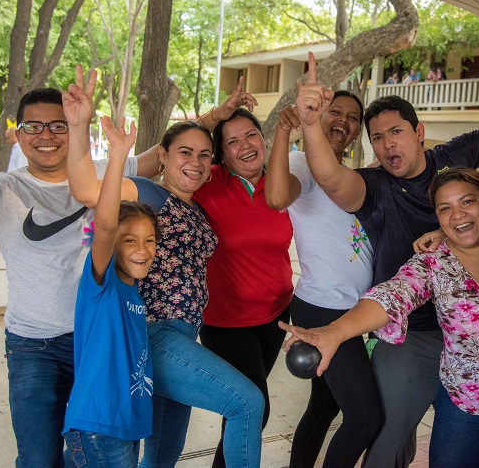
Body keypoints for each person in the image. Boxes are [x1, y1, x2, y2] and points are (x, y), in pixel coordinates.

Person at [291, 0, 479, 465]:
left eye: (396, 132)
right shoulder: (373, 187)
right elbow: (330, 179)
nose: (388, 144)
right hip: (411, 332)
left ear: (419, 133)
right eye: (377, 137)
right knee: (391, 434)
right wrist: (309, 125)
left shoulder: (453, 163)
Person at [0, 83, 161, 467]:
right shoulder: (2, 188)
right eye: (33, 126)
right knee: (39, 458)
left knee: (97, 454)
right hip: (33, 345)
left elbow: (162, 158)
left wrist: (215, 118)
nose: (46, 135)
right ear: (19, 134)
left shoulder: (105, 175)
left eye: (58, 126)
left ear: (74, 129)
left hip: (98, 342)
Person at [64, 70, 265, 468]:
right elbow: (89, 191)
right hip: (155, 332)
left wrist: (218, 115)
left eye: (205, 155)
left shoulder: (196, 206)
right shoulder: (150, 194)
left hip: (185, 336)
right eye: (184, 153)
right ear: (164, 158)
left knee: (162, 459)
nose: (196, 162)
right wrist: (78, 126)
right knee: (246, 402)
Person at [280, 167, 479, 468]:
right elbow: (393, 294)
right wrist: (334, 332)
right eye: (445, 208)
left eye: (467, 202)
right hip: (467, 399)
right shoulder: (433, 261)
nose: (457, 215)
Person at [266, 93, 382, 468]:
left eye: (353, 117)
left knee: (323, 406)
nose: (344, 121)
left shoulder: (351, 177)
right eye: (337, 111)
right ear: (318, 115)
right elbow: (277, 196)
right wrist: (286, 130)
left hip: (355, 311)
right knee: (365, 417)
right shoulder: (302, 164)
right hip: (321, 308)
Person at [194, 99, 295, 467]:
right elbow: (175, 151)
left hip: (276, 315)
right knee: (255, 407)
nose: (245, 145)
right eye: (233, 141)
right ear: (221, 154)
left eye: (251, 134)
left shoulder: (280, 182)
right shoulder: (208, 181)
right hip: (225, 321)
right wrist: (212, 117)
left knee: (241, 412)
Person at [62, 115, 157, 468]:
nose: (142, 249)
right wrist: (119, 154)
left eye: (150, 241)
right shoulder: (102, 286)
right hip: (100, 427)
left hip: (123, 427)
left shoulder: (135, 296)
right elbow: (104, 225)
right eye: (129, 240)